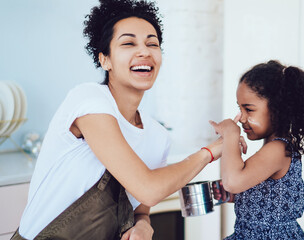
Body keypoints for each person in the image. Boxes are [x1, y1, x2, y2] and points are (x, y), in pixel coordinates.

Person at [11, 0, 222, 239]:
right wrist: (210, 151)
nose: (144, 51)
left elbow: (142, 207)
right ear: (105, 60)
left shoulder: (157, 137)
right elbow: (149, 189)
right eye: (129, 43)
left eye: (152, 43)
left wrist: (144, 225)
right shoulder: (88, 100)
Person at [210, 60, 304, 240]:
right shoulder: (275, 148)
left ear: (278, 110)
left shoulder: (278, 149)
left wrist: (230, 133)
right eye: (239, 108)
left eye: (248, 109)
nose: (241, 118)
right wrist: (240, 196)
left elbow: (233, 182)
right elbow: (269, 200)